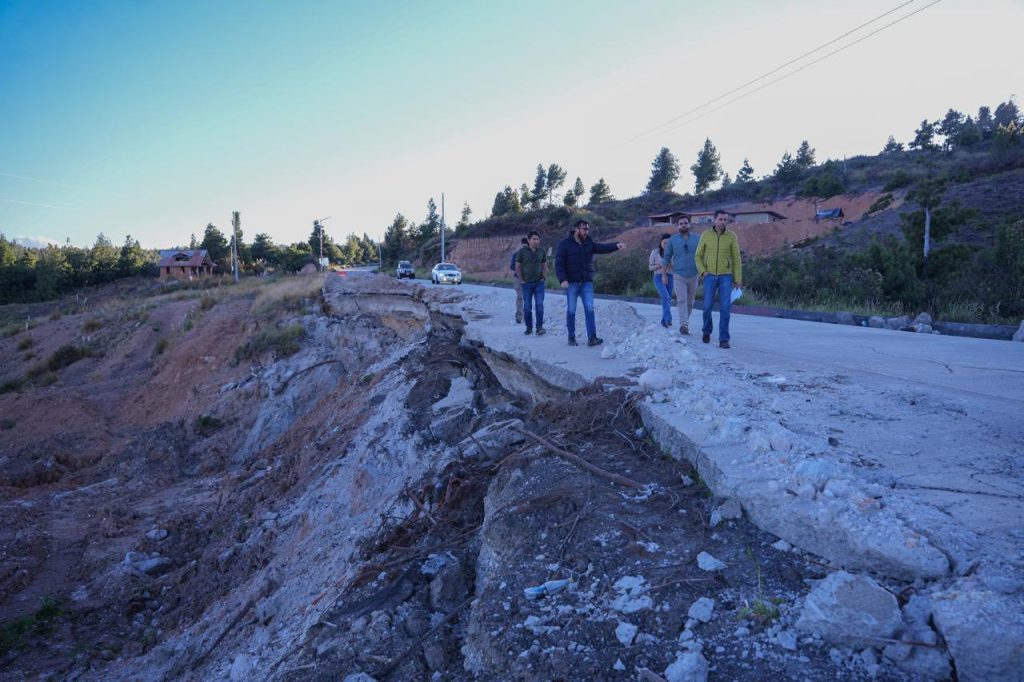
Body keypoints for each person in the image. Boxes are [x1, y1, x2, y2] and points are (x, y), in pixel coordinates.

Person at [555, 219, 625, 346]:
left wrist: (615, 246)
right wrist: (562, 279)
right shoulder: (564, 244)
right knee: (571, 310)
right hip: (571, 283)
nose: (586, 231)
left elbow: (601, 248)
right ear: (576, 229)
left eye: (587, 229)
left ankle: (592, 338)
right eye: (584, 229)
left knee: (590, 309)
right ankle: (571, 337)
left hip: (586, 281)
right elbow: (559, 263)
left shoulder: (589, 242)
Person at [695, 210, 743, 348]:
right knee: (707, 306)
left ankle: (724, 339)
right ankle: (706, 331)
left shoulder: (731, 236)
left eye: (725, 220)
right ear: (714, 220)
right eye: (720, 219)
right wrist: (703, 271)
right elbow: (698, 256)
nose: (723, 222)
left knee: (725, 308)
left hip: (726, 276)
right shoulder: (705, 235)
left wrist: (738, 278)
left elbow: (736, 259)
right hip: (709, 275)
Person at [661, 215, 701, 335]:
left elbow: (704, 254)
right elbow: (666, 257)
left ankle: (685, 322)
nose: (683, 225)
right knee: (681, 300)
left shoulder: (698, 239)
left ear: (689, 224)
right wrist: (664, 275)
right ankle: (684, 325)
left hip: (694, 274)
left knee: (690, 302)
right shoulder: (673, 240)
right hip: (678, 275)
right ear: (678, 226)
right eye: (681, 223)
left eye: (685, 223)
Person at [516, 230, 547, 336]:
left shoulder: (541, 251)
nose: (536, 241)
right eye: (534, 239)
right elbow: (517, 267)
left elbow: (544, 265)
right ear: (529, 240)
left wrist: (543, 277)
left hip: (539, 283)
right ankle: (529, 327)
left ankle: (539, 328)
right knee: (527, 308)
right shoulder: (522, 252)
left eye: (537, 239)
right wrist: (521, 280)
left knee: (539, 306)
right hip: (527, 284)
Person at [649, 233, 674, 328]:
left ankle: (665, 320)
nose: (666, 245)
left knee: (667, 299)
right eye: (665, 243)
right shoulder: (655, 252)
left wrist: (670, 264)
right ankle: (668, 320)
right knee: (666, 297)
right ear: (661, 242)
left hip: (670, 276)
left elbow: (676, 267)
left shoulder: (673, 253)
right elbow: (650, 267)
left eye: (669, 243)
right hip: (658, 277)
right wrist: (659, 265)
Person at [509, 237, 527, 324]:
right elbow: (512, 266)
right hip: (520, 278)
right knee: (521, 297)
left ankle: (524, 316)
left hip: (527, 278)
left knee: (523, 297)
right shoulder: (516, 254)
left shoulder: (530, 254)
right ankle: (520, 317)